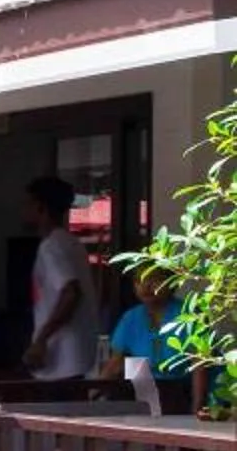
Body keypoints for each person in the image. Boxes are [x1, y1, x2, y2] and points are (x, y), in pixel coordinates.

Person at [20, 176, 99, 383]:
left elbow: (71, 292)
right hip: (76, 357)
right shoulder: (72, 244)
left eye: (27, 204)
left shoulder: (51, 247)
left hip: (60, 360)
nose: (23, 211)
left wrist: (42, 339)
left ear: (41, 208)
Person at [106, 265, 197, 414]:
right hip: (146, 393)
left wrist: (197, 407)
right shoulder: (131, 317)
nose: (146, 286)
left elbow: (199, 367)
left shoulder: (188, 315)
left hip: (184, 393)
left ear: (170, 282)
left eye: (154, 279)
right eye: (139, 280)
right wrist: (93, 397)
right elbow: (115, 364)